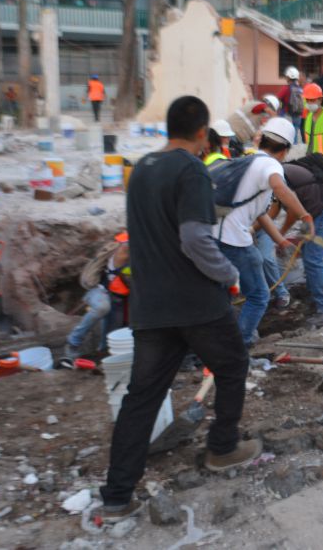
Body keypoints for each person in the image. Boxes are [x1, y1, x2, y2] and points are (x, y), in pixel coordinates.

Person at [98, 95, 260, 523]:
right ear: (203, 134)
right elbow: (194, 240)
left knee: (142, 396)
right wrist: (227, 274)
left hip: (151, 307)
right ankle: (223, 447)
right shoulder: (191, 170)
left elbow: (136, 239)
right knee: (232, 366)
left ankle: (116, 495)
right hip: (196, 302)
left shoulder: (142, 171)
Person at [216, 117, 313, 346]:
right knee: (259, 295)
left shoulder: (248, 161)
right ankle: (241, 343)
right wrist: (305, 215)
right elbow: (281, 188)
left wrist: (279, 240)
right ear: (286, 149)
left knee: (223, 295)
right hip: (233, 239)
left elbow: (258, 212)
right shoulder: (270, 165)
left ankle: (215, 343)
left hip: (215, 236)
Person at [277, 157, 323, 328]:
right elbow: (273, 211)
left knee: (313, 256)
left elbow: (292, 213)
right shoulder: (278, 174)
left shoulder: (278, 177)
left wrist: (279, 236)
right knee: (308, 252)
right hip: (319, 210)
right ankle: (314, 297)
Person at [64, 231, 129, 360]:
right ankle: (73, 342)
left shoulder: (136, 248)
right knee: (102, 308)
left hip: (120, 295)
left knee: (114, 333)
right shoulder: (125, 250)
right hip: (101, 291)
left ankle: (103, 351)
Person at [279, 66, 304, 143]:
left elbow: (278, 98)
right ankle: (294, 146)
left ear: (288, 77)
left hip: (287, 114)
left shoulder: (286, 88)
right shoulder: (300, 89)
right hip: (298, 114)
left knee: (286, 134)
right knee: (295, 132)